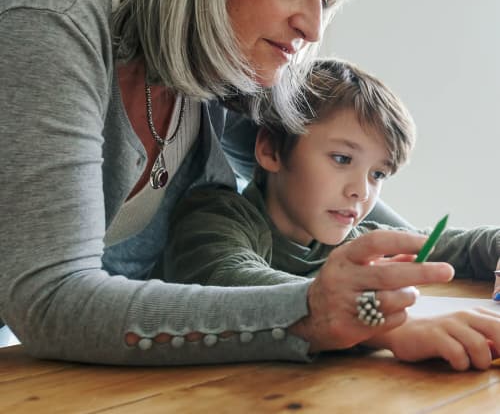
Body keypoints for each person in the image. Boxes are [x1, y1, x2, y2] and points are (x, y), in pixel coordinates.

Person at [0, 0, 456, 366]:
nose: (314, 27)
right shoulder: (49, 16)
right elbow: (52, 300)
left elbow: (374, 217)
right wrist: (314, 314)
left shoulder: (214, 67)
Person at [169, 58, 500, 370]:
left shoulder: (354, 240)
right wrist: (381, 327)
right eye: (342, 159)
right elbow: (227, 283)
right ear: (270, 150)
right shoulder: (216, 215)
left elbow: (459, 246)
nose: (362, 191)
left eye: (378, 174)